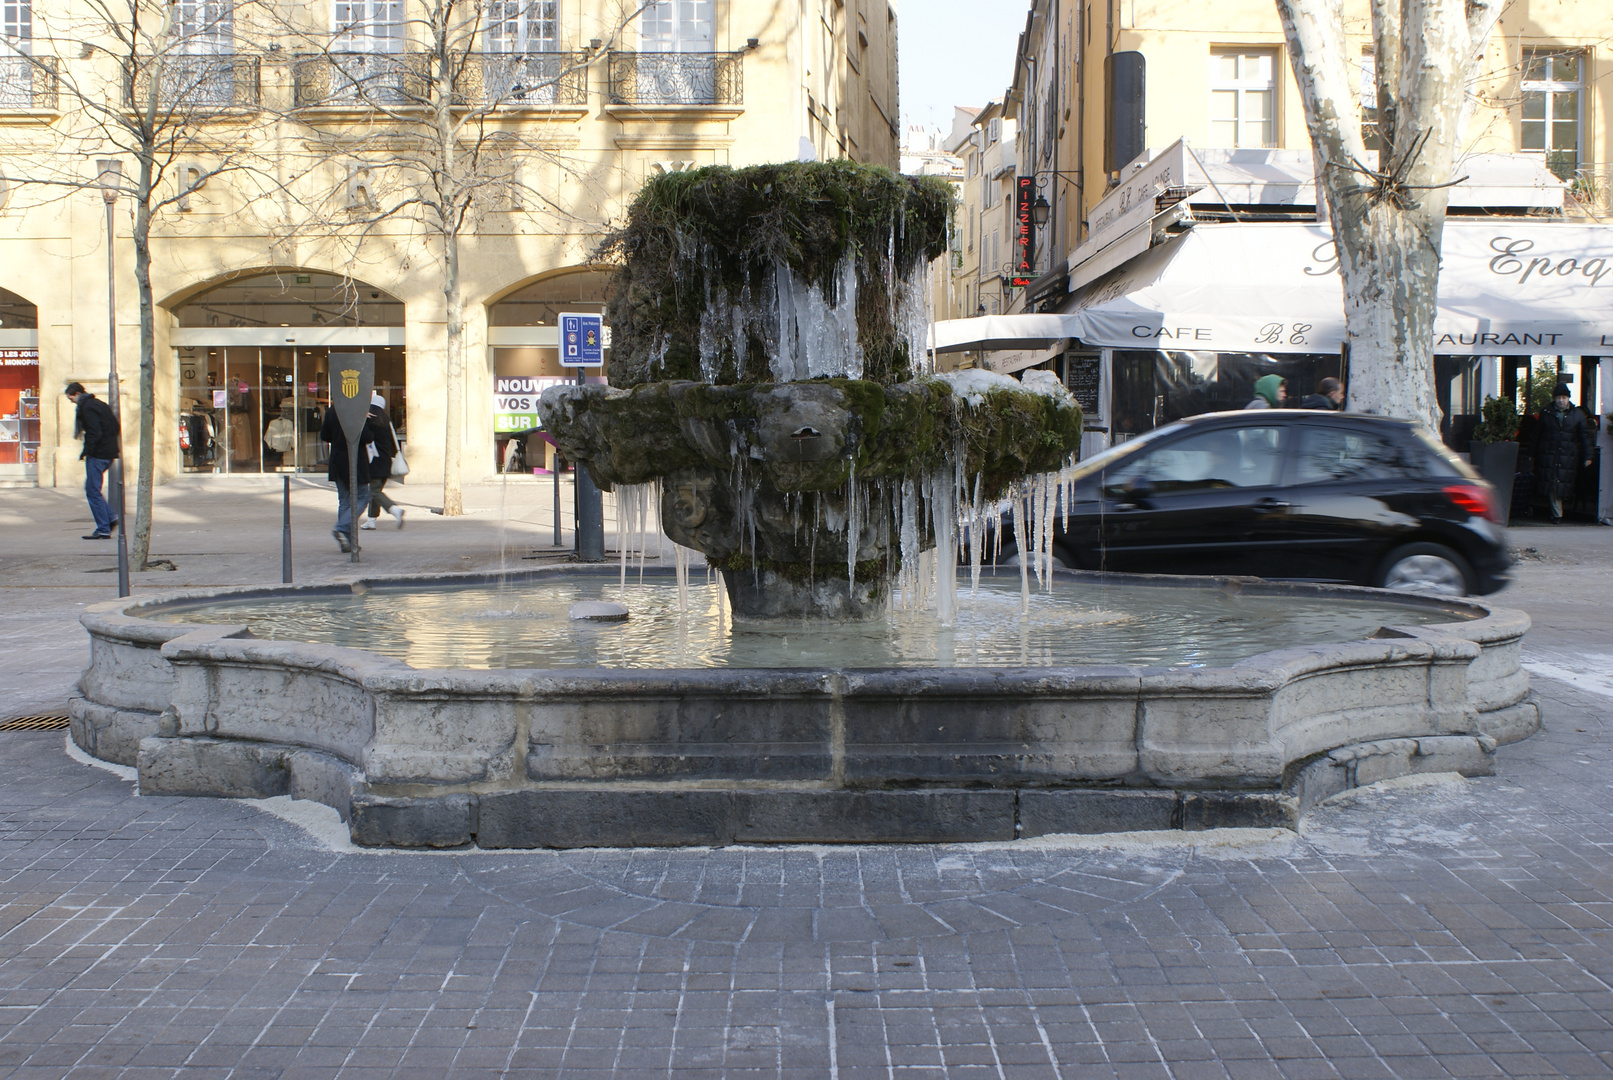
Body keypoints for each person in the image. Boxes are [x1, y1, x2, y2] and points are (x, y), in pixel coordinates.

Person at [64, 382, 120, 540]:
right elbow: (115, 426)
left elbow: (94, 431)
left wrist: (88, 451)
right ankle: (109, 518)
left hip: (98, 454)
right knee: (93, 489)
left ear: (76, 394)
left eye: (71, 399)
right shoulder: (100, 404)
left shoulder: (87, 407)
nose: (71, 402)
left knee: (92, 491)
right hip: (108, 453)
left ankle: (104, 527)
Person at [320, 398, 377, 552]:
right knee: (363, 497)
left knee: (344, 501)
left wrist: (338, 438)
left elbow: (325, 435)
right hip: (355, 459)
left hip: (337, 458)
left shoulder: (332, 411)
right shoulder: (358, 412)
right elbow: (367, 437)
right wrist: (366, 421)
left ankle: (347, 542)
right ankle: (342, 527)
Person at [1532, 383, 1593, 524]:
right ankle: (1557, 514)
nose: (1561, 400)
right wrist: (1532, 452)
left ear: (1568, 398)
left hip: (1568, 457)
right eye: (1558, 397)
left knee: (1562, 485)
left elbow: (1585, 437)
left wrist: (1589, 455)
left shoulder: (1577, 415)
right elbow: (1537, 434)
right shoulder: (1546, 413)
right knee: (1553, 484)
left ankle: (1557, 513)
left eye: (1564, 397)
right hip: (1549, 455)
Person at [361, 393, 405, 531]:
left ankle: (393, 509)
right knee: (376, 491)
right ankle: (371, 520)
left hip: (373, 461)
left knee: (373, 492)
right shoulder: (387, 421)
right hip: (386, 461)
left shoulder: (369, 421)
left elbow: (365, 438)